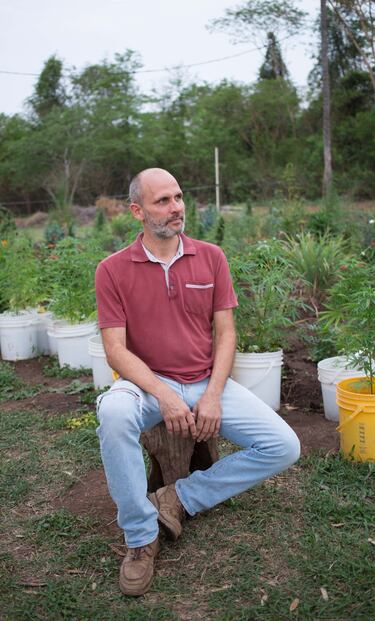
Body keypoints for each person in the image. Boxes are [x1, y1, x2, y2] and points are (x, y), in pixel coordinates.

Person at [95, 168, 300, 597]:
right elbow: (115, 350)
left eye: (179, 197)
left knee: (284, 445)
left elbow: (225, 333)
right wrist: (164, 394)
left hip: (205, 380)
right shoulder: (112, 270)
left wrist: (212, 394)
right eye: (163, 201)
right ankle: (139, 536)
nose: (177, 208)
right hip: (147, 385)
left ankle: (179, 499)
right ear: (137, 211)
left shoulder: (211, 256)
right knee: (112, 411)